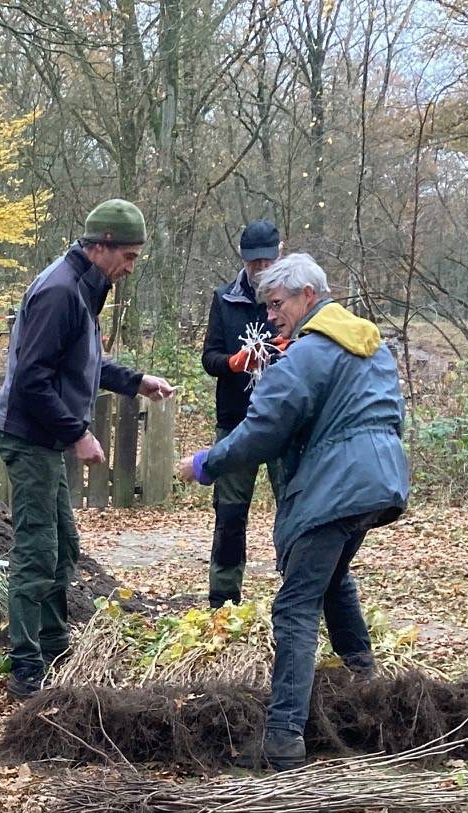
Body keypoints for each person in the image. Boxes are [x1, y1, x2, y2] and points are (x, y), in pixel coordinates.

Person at [176, 254, 406, 769]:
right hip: (380, 481)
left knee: (295, 606)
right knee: (331, 581)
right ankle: (367, 689)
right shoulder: (370, 344)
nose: (270, 316)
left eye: (277, 304)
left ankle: (282, 738)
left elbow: (262, 430)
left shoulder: (308, 353)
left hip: (337, 488)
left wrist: (205, 463)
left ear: (307, 295)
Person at [0, 199, 176, 698]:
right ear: (100, 247)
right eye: (129, 257)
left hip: (47, 438)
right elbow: (32, 379)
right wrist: (78, 433)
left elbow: (83, 361)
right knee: (37, 551)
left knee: (65, 547)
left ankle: (53, 648)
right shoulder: (59, 292)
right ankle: (27, 668)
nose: (131, 269)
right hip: (29, 438)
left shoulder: (85, 288)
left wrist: (136, 381)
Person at [199, 219, 285, 606]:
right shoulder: (225, 299)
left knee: (295, 509)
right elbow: (209, 358)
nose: (261, 270)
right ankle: (223, 601)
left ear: (279, 254)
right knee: (231, 515)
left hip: (286, 423)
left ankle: (297, 593)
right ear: (243, 259)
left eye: (267, 260)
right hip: (235, 421)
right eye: (254, 263)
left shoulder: (295, 297)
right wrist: (234, 362)